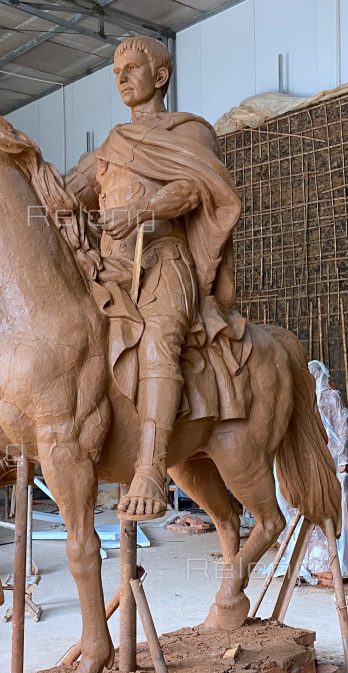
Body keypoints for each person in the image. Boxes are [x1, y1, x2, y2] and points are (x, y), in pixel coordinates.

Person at [64, 36, 244, 520]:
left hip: (163, 262)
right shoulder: (109, 148)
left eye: (131, 67)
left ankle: (150, 467)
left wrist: (142, 210)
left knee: (158, 341)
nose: (120, 77)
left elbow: (194, 187)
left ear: (160, 76)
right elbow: (64, 194)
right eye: (115, 70)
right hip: (110, 270)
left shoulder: (189, 132)